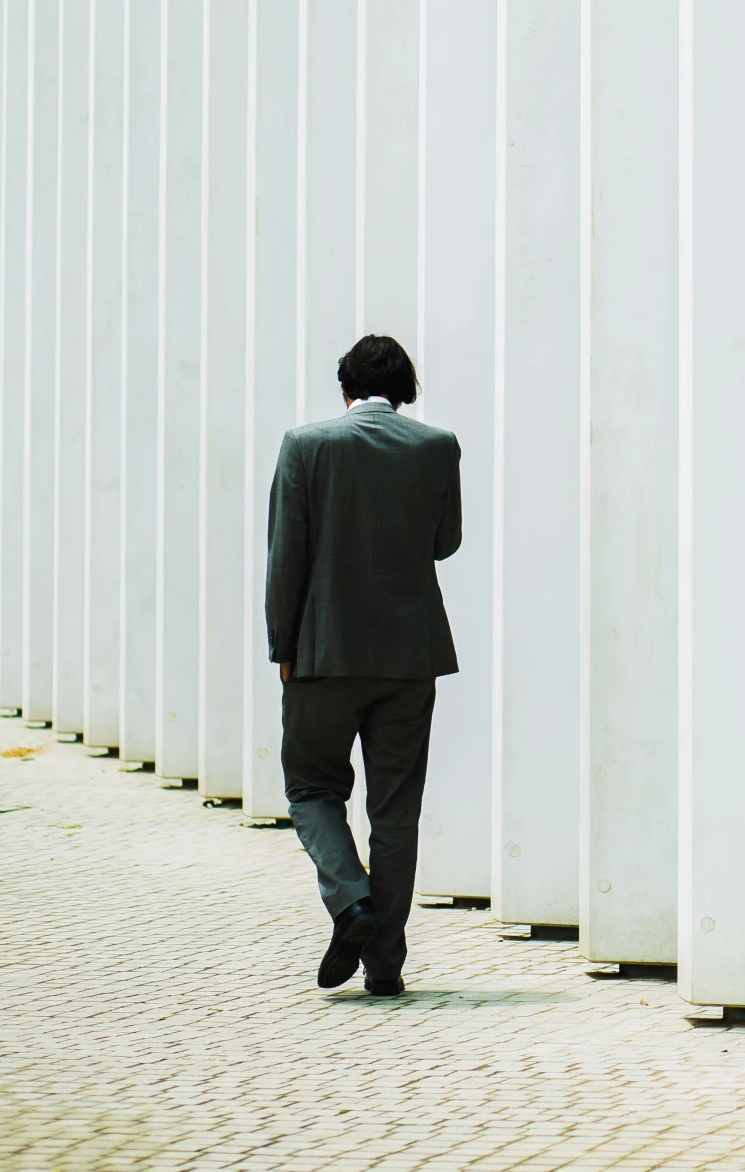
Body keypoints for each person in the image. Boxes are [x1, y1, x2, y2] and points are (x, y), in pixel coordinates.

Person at [264, 333, 462, 996]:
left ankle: (351, 901)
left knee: (311, 789)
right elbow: (445, 542)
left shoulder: (306, 445)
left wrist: (282, 648)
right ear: (406, 389)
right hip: (410, 657)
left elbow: (286, 556)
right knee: (396, 811)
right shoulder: (436, 447)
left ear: (343, 387)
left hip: (322, 654)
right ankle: (384, 965)